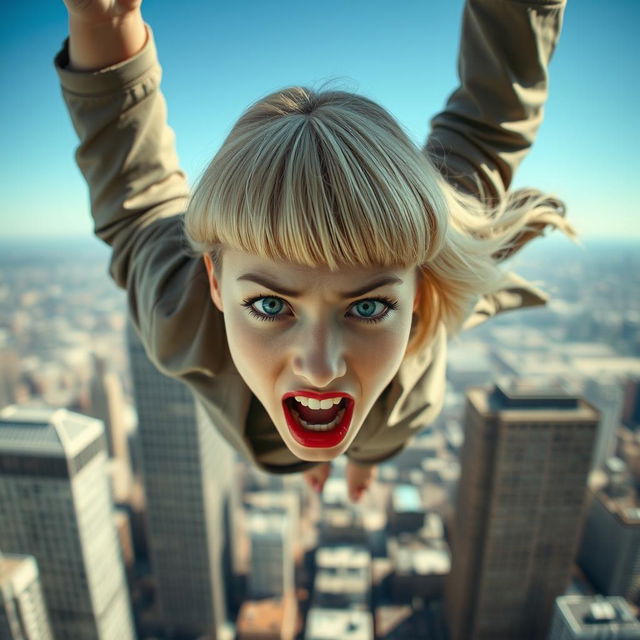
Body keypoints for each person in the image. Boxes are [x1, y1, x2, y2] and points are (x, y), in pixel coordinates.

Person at [56, 0, 575, 502]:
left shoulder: (428, 252)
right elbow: (491, 117)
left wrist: (371, 456)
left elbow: (131, 189)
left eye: (368, 306)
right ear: (214, 282)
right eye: (270, 305)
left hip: (387, 419)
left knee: (374, 434)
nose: (320, 368)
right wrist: (103, 15)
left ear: (419, 288)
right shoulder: (178, 308)